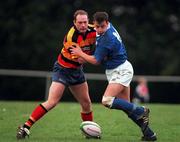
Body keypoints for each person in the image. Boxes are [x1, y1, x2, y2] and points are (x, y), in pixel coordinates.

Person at [71, 12, 157, 141]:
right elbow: (91, 33)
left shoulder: (107, 38)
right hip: (117, 69)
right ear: (94, 24)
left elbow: (95, 61)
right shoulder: (103, 27)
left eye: (102, 27)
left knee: (107, 100)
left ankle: (141, 110)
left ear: (107, 23)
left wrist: (80, 53)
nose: (99, 30)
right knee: (126, 107)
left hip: (121, 71)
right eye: (97, 26)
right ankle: (149, 134)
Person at [16, 10, 96, 139]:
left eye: (85, 22)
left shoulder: (94, 29)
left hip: (77, 71)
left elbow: (105, 32)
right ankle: (25, 127)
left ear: (89, 21)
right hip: (63, 70)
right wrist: (100, 56)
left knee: (86, 103)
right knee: (52, 101)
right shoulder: (71, 37)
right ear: (74, 23)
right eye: (80, 22)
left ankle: (90, 133)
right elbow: (81, 59)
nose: (83, 25)